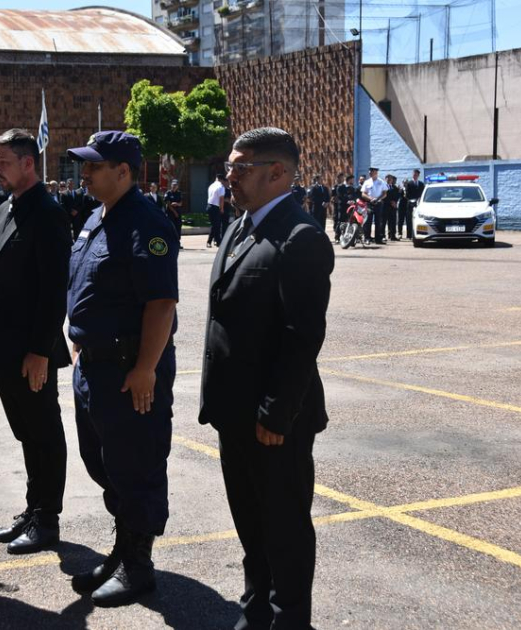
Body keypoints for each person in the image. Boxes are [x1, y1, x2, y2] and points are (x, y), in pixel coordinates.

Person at [200, 127, 334, 630]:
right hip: (234, 413)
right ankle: (256, 606)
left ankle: (289, 618)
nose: (229, 178)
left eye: (240, 168)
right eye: (229, 169)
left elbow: (302, 337)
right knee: (250, 521)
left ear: (277, 172)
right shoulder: (239, 228)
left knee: (284, 525)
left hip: (275, 419)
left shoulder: (301, 239)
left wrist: (276, 411)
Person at [65, 131, 179, 607]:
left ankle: (139, 566)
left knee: (136, 467)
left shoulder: (145, 223)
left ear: (124, 172)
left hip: (130, 370)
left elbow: (160, 304)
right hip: (93, 368)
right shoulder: (97, 217)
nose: (85, 174)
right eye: (85, 166)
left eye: (94, 167)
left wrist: (146, 368)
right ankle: (122, 548)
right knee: (104, 464)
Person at [0, 129, 71, 555]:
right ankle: (33, 509)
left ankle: (47, 519)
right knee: (26, 432)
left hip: (31, 348)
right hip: (2, 343)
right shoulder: (2, 211)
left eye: (3, 162)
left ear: (28, 163)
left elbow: (55, 290)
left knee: (43, 432)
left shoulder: (47, 213)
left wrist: (40, 350)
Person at [360, 167, 387, 244]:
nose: (370, 173)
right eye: (369, 171)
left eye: (372, 171)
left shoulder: (381, 182)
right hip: (369, 203)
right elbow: (363, 194)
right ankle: (367, 238)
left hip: (378, 204)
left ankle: (378, 239)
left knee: (378, 222)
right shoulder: (367, 182)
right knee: (367, 221)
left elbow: (384, 194)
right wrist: (370, 198)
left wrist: (378, 199)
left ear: (376, 172)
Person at [401, 168, 424, 239]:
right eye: (414, 174)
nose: (415, 176)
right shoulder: (409, 183)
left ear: (418, 175)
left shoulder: (421, 184)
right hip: (410, 203)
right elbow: (407, 194)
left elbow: (422, 194)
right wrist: (412, 200)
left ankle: (419, 233)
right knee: (409, 219)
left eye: (416, 174)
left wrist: (419, 199)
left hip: (418, 203)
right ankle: (409, 235)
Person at [206, 172, 227, 247]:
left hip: (209, 206)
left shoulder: (211, 185)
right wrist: (221, 209)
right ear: (221, 180)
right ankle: (216, 242)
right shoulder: (221, 187)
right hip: (215, 207)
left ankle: (213, 241)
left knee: (215, 225)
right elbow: (221, 199)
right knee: (217, 225)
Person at [163, 179, 183, 246]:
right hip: (171, 214)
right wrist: (175, 213)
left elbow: (181, 203)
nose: (174, 186)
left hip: (178, 213)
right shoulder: (168, 193)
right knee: (171, 227)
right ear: (171, 185)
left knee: (178, 227)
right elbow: (168, 204)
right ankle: (170, 243)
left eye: (176, 185)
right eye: (173, 185)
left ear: (177, 186)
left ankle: (177, 242)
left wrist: (177, 204)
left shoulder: (179, 193)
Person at [383, 174, 403, 241]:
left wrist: (395, 202)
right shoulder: (383, 187)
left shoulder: (395, 187)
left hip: (393, 207)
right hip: (385, 206)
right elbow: (383, 196)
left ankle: (392, 236)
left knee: (393, 222)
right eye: (388, 179)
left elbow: (397, 196)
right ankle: (382, 236)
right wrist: (391, 202)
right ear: (385, 179)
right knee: (383, 222)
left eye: (391, 179)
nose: (389, 180)